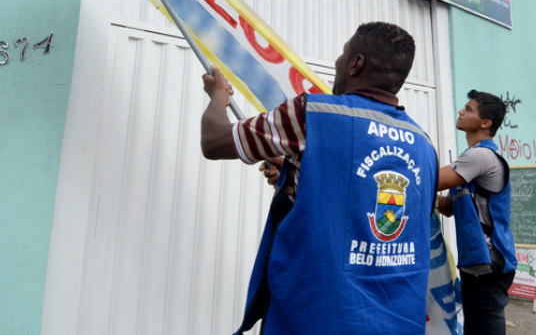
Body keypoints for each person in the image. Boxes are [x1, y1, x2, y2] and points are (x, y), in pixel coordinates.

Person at [200, 22, 438, 335]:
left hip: (318, 317)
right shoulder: (424, 145)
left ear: (356, 64)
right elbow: (363, 207)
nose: (338, 62)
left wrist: (218, 95)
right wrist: (297, 178)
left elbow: (214, 140)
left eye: (343, 54)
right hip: (397, 324)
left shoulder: (311, 113)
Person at [436, 90, 517, 335]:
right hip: (477, 264)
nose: (461, 111)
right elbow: (449, 208)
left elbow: (427, 179)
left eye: (469, 109)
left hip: (489, 265)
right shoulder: (471, 159)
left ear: (485, 123)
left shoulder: (480, 156)